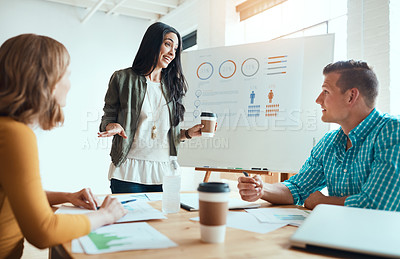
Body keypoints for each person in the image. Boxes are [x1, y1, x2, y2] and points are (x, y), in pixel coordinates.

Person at [0, 34, 127, 258]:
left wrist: (67, 197)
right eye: (67, 74)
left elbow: (14, 194)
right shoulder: (14, 134)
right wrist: (106, 216)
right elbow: (42, 231)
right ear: (46, 80)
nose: (69, 83)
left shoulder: (7, 128)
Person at [238, 60, 400, 211]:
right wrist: (261, 188)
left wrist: (322, 202)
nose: (318, 100)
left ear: (351, 96)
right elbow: (298, 188)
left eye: (326, 91)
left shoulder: (392, 131)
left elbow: (378, 205)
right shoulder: (330, 142)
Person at [98, 22, 205, 194]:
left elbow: (168, 133)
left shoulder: (174, 86)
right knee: (131, 221)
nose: (172, 52)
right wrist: (112, 126)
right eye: (168, 44)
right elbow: (108, 116)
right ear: (153, 43)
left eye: (176, 48)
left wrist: (187, 134)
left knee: (164, 221)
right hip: (128, 171)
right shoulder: (122, 78)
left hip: (165, 172)